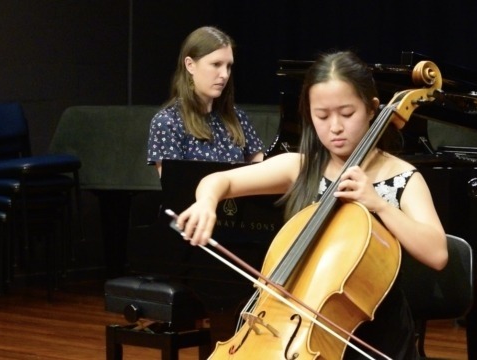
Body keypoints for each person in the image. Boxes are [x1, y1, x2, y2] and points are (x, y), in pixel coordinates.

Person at [175, 51, 448, 360]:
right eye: (322, 115)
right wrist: (206, 203)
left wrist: (379, 205)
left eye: (346, 113)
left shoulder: (402, 178)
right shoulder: (300, 168)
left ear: (372, 110)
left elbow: (437, 254)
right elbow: (218, 181)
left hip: (376, 337)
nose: (335, 127)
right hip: (298, 331)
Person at [147, 26, 265, 176]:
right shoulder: (168, 122)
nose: (224, 74)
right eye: (216, 64)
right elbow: (175, 188)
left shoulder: (237, 117)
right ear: (190, 65)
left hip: (238, 200)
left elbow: (262, 172)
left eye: (228, 66)